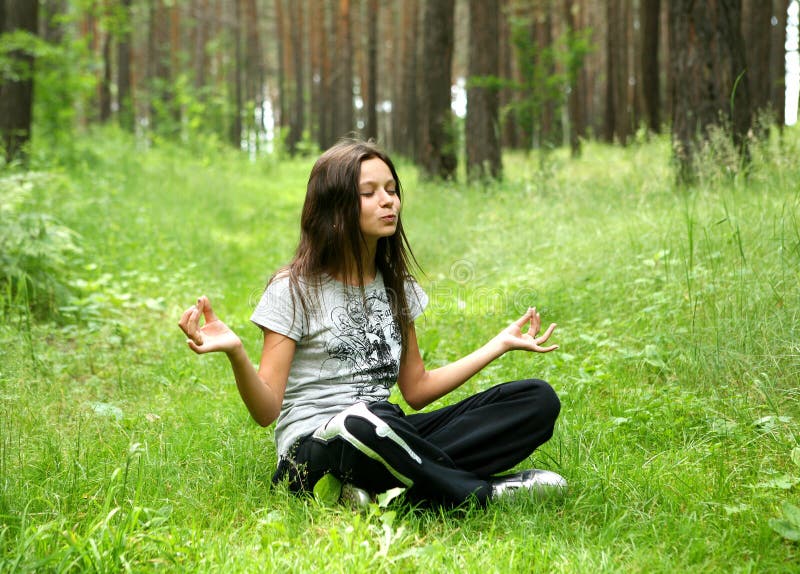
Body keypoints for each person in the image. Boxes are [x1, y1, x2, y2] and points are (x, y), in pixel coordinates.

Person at [178, 139, 566, 508]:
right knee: (362, 423)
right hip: (314, 449)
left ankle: (372, 488)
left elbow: (416, 389)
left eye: (392, 190)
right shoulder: (293, 289)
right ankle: (482, 494)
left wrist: (497, 345)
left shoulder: (398, 286)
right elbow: (266, 412)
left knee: (534, 400)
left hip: (386, 431)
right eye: (369, 193)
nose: (388, 201)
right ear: (335, 206)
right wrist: (236, 353)